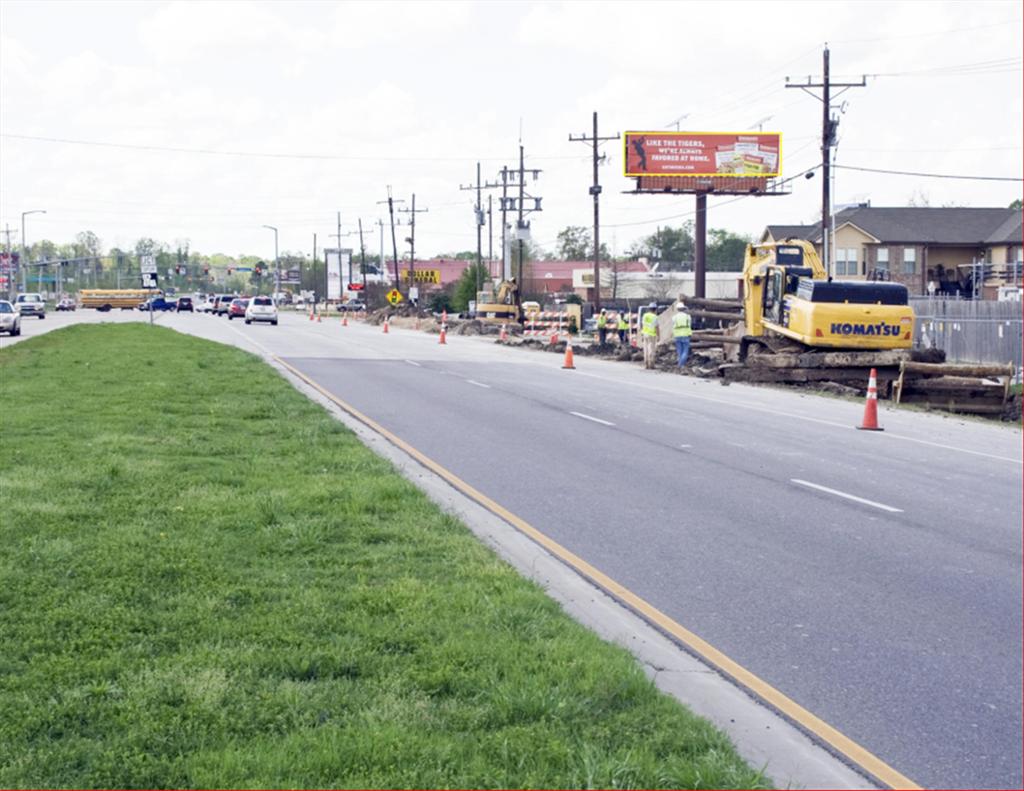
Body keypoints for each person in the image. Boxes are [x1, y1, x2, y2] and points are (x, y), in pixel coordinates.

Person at [672, 302, 693, 369]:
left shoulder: (674, 317)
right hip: (686, 334)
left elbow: (673, 326)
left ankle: (680, 364)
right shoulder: (687, 317)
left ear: (677, 309)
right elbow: (689, 325)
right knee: (685, 351)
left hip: (677, 335)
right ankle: (681, 364)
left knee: (679, 351)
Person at [640, 302, 659, 369]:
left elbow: (642, 325)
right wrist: (658, 336)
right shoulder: (655, 317)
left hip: (645, 334)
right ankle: (651, 364)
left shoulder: (645, 315)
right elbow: (657, 327)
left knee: (645, 349)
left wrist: (641, 333)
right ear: (655, 309)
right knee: (651, 349)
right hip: (652, 335)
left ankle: (646, 363)